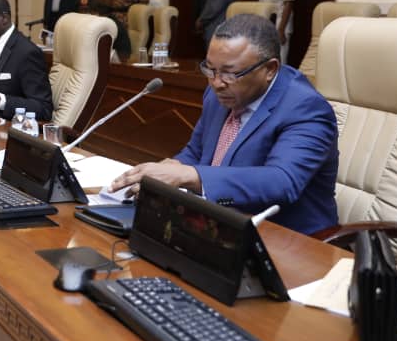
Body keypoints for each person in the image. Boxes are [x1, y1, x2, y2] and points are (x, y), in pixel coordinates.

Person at [110, 14, 338, 236]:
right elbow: (197, 152)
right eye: (210, 69)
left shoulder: (305, 107)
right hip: (220, 226)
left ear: (269, 69)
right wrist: (170, 168)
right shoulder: (221, 92)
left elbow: (282, 181)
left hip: (289, 240)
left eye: (230, 73)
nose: (216, 83)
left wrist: (188, 175)